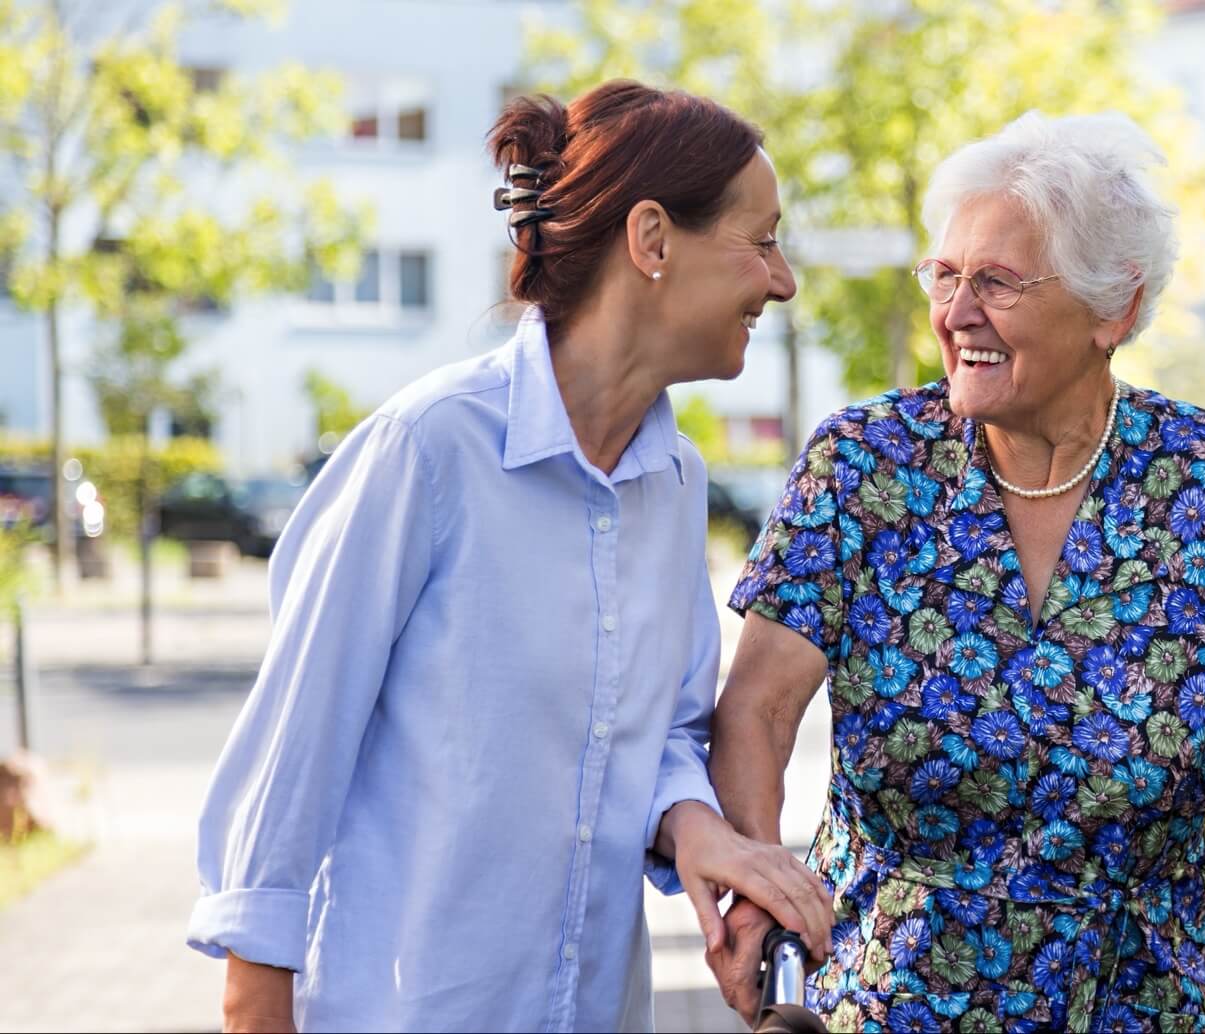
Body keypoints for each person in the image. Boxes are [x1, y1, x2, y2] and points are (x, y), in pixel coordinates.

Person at [705, 111, 1205, 1032]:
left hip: (1141, 999)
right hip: (892, 998)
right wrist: (756, 873)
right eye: (947, 275)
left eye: (998, 284)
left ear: (1114, 309)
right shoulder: (864, 467)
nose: (956, 312)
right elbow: (760, 709)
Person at [188, 80, 833, 1033]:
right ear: (652, 241)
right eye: (762, 239)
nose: (782, 281)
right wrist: (256, 1008)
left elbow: (654, 734)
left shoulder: (676, 482)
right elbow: (293, 759)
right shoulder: (427, 452)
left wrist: (698, 829)